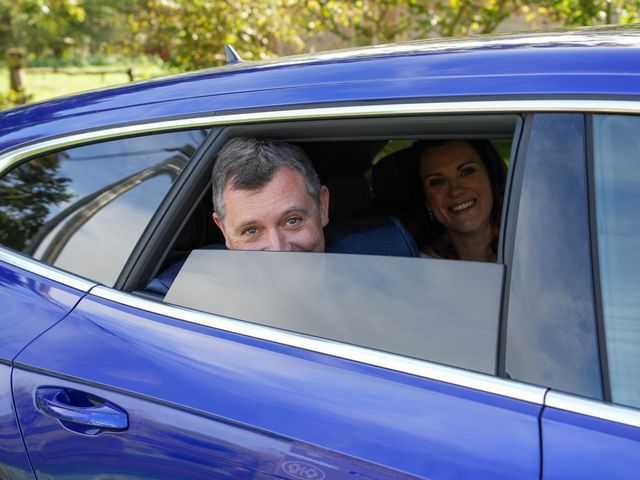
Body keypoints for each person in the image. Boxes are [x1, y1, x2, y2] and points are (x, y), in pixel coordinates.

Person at [211, 137, 330, 252]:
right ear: (224, 230)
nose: (278, 249)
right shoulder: (196, 269)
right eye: (251, 231)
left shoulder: (349, 264)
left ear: (322, 207)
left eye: (293, 221)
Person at [417, 139, 507, 261]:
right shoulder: (418, 265)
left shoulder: (532, 247)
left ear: (491, 178)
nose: (455, 191)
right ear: (427, 201)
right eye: (437, 182)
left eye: (467, 172)